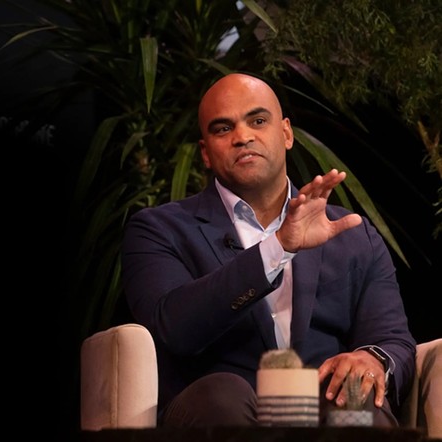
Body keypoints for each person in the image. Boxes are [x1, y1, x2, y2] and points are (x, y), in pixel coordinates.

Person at [120, 72, 416, 428]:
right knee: (222, 394)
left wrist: (371, 359)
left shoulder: (353, 235)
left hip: (324, 410)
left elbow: (392, 338)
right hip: (215, 412)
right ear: (206, 154)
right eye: (222, 129)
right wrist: (277, 248)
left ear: (287, 133)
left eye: (258, 121)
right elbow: (175, 328)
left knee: (355, 398)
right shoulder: (159, 230)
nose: (243, 137)